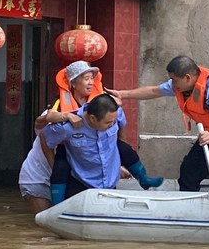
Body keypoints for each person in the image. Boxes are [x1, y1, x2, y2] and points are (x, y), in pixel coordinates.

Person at [108, 55, 209, 193]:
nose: (172, 84)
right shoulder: (180, 85)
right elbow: (153, 91)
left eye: (174, 80)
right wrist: (122, 94)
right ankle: (190, 208)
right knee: (188, 173)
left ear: (187, 78)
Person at [45, 60, 162, 205]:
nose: (90, 83)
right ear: (73, 83)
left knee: (123, 147)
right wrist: (66, 116)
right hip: (75, 149)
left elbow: (120, 124)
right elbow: (46, 124)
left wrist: (118, 162)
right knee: (60, 166)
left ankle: (143, 178)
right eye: (86, 79)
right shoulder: (63, 107)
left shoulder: (106, 102)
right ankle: (57, 206)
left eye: (91, 79)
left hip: (106, 149)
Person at [42, 93, 127, 200]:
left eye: (113, 122)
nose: (111, 125)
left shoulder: (115, 113)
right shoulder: (70, 127)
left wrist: (119, 164)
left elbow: (122, 125)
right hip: (82, 185)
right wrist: (52, 165)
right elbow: (45, 137)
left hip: (109, 185)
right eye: (107, 123)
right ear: (92, 118)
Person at [18, 113, 54, 213]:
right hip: (37, 178)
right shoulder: (54, 113)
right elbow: (42, 132)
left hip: (62, 178)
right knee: (45, 222)